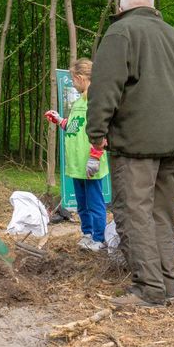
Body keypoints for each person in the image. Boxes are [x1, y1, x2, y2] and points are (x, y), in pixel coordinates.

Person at [86, 0, 174, 307]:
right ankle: (168, 285)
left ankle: (149, 288)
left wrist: (96, 131)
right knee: (162, 215)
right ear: (153, 8)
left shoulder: (121, 33)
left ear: (122, 9)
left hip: (134, 144)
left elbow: (104, 87)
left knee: (133, 214)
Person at [45, 58, 108, 252]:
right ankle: (87, 233)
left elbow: (102, 129)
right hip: (76, 164)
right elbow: (75, 127)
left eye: (73, 79)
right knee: (82, 204)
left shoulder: (96, 100)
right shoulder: (79, 101)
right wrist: (60, 120)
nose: (72, 83)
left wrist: (95, 156)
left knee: (95, 203)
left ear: (80, 78)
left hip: (90, 162)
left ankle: (99, 238)